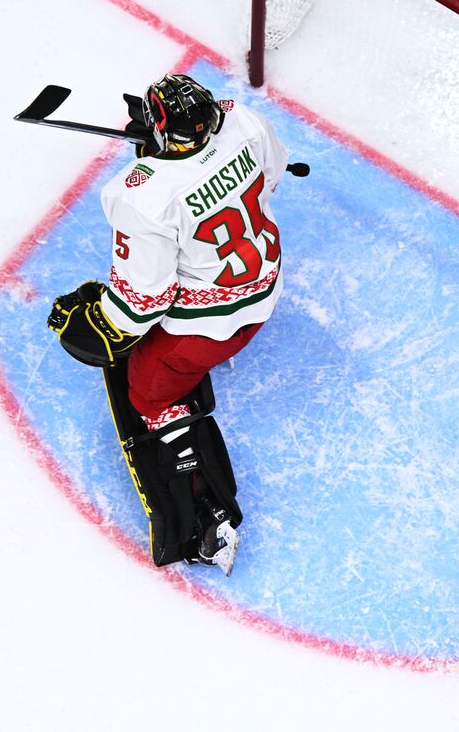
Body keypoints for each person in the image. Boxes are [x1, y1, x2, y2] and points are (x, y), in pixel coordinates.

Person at [47, 73, 289, 574]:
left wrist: (94, 325)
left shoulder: (142, 196)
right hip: (266, 287)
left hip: (207, 331)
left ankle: (202, 507)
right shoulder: (243, 121)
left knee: (149, 394)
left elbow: (143, 301)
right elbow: (273, 173)